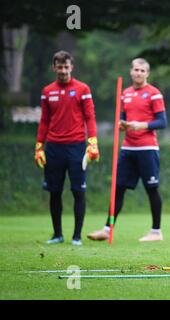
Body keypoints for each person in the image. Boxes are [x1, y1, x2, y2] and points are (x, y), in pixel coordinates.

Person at [87, 58, 167, 242]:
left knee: (151, 189)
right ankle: (107, 228)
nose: (138, 73)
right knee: (118, 188)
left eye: (142, 70)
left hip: (147, 148)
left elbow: (162, 122)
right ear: (131, 71)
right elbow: (123, 118)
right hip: (127, 148)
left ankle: (156, 232)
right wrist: (122, 125)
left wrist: (141, 125)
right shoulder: (125, 93)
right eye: (135, 70)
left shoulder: (154, 93)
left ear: (147, 73)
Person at [35, 50, 100, 246]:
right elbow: (44, 120)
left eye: (66, 66)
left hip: (77, 147)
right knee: (55, 192)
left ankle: (76, 236)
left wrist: (93, 142)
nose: (63, 70)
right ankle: (57, 235)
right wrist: (39, 146)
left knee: (78, 191)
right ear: (54, 67)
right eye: (59, 67)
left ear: (72, 67)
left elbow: (90, 116)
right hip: (53, 148)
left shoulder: (82, 89)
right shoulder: (47, 91)